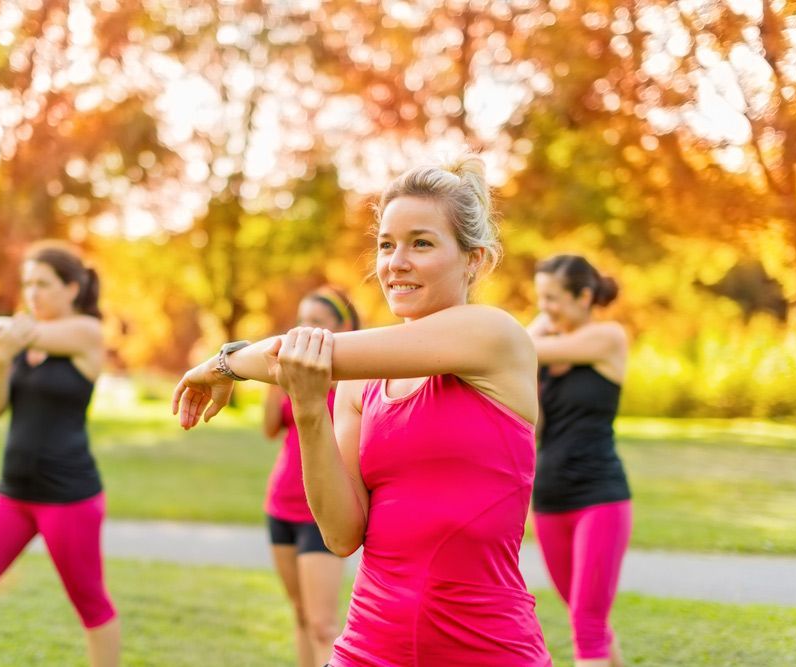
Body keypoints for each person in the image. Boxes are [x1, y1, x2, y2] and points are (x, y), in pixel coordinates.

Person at [174, 154, 552, 666]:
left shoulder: (494, 336)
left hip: (488, 649)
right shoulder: (362, 383)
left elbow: (313, 351)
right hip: (369, 650)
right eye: (386, 244)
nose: (396, 262)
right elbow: (341, 534)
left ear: (473, 260)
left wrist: (223, 365)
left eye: (421, 242)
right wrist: (309, 409)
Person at [0, 241, 119, 667]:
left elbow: (2, 328)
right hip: (13, 493)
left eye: (43, 284)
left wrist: (0, 332)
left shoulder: (85, 332)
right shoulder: (21, 340)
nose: (32, 294)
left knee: (91, 606)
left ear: (72, 288)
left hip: (69, 498)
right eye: (27, 284)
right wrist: (2, 358)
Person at [528, 254, 631, 667]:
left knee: (586, 623)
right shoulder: (545, 357)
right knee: (589, 619)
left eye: (552, 298)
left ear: (584, 296)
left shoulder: (608, 338)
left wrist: (530, 336)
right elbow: (530, 421)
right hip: (550, 500)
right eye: (540, 298)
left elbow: (515, 346)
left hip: (599, 497)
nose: (545, 308)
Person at [263, 286, 360, 667]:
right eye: (303, 320)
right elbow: (271, 429)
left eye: (318, 322)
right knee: (302, 615)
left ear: (344, 327)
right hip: (280, 505)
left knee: (322, 624)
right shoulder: (294, 375)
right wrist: (276, 383)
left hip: (320, 515)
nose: (306, 330)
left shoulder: (353, 384)